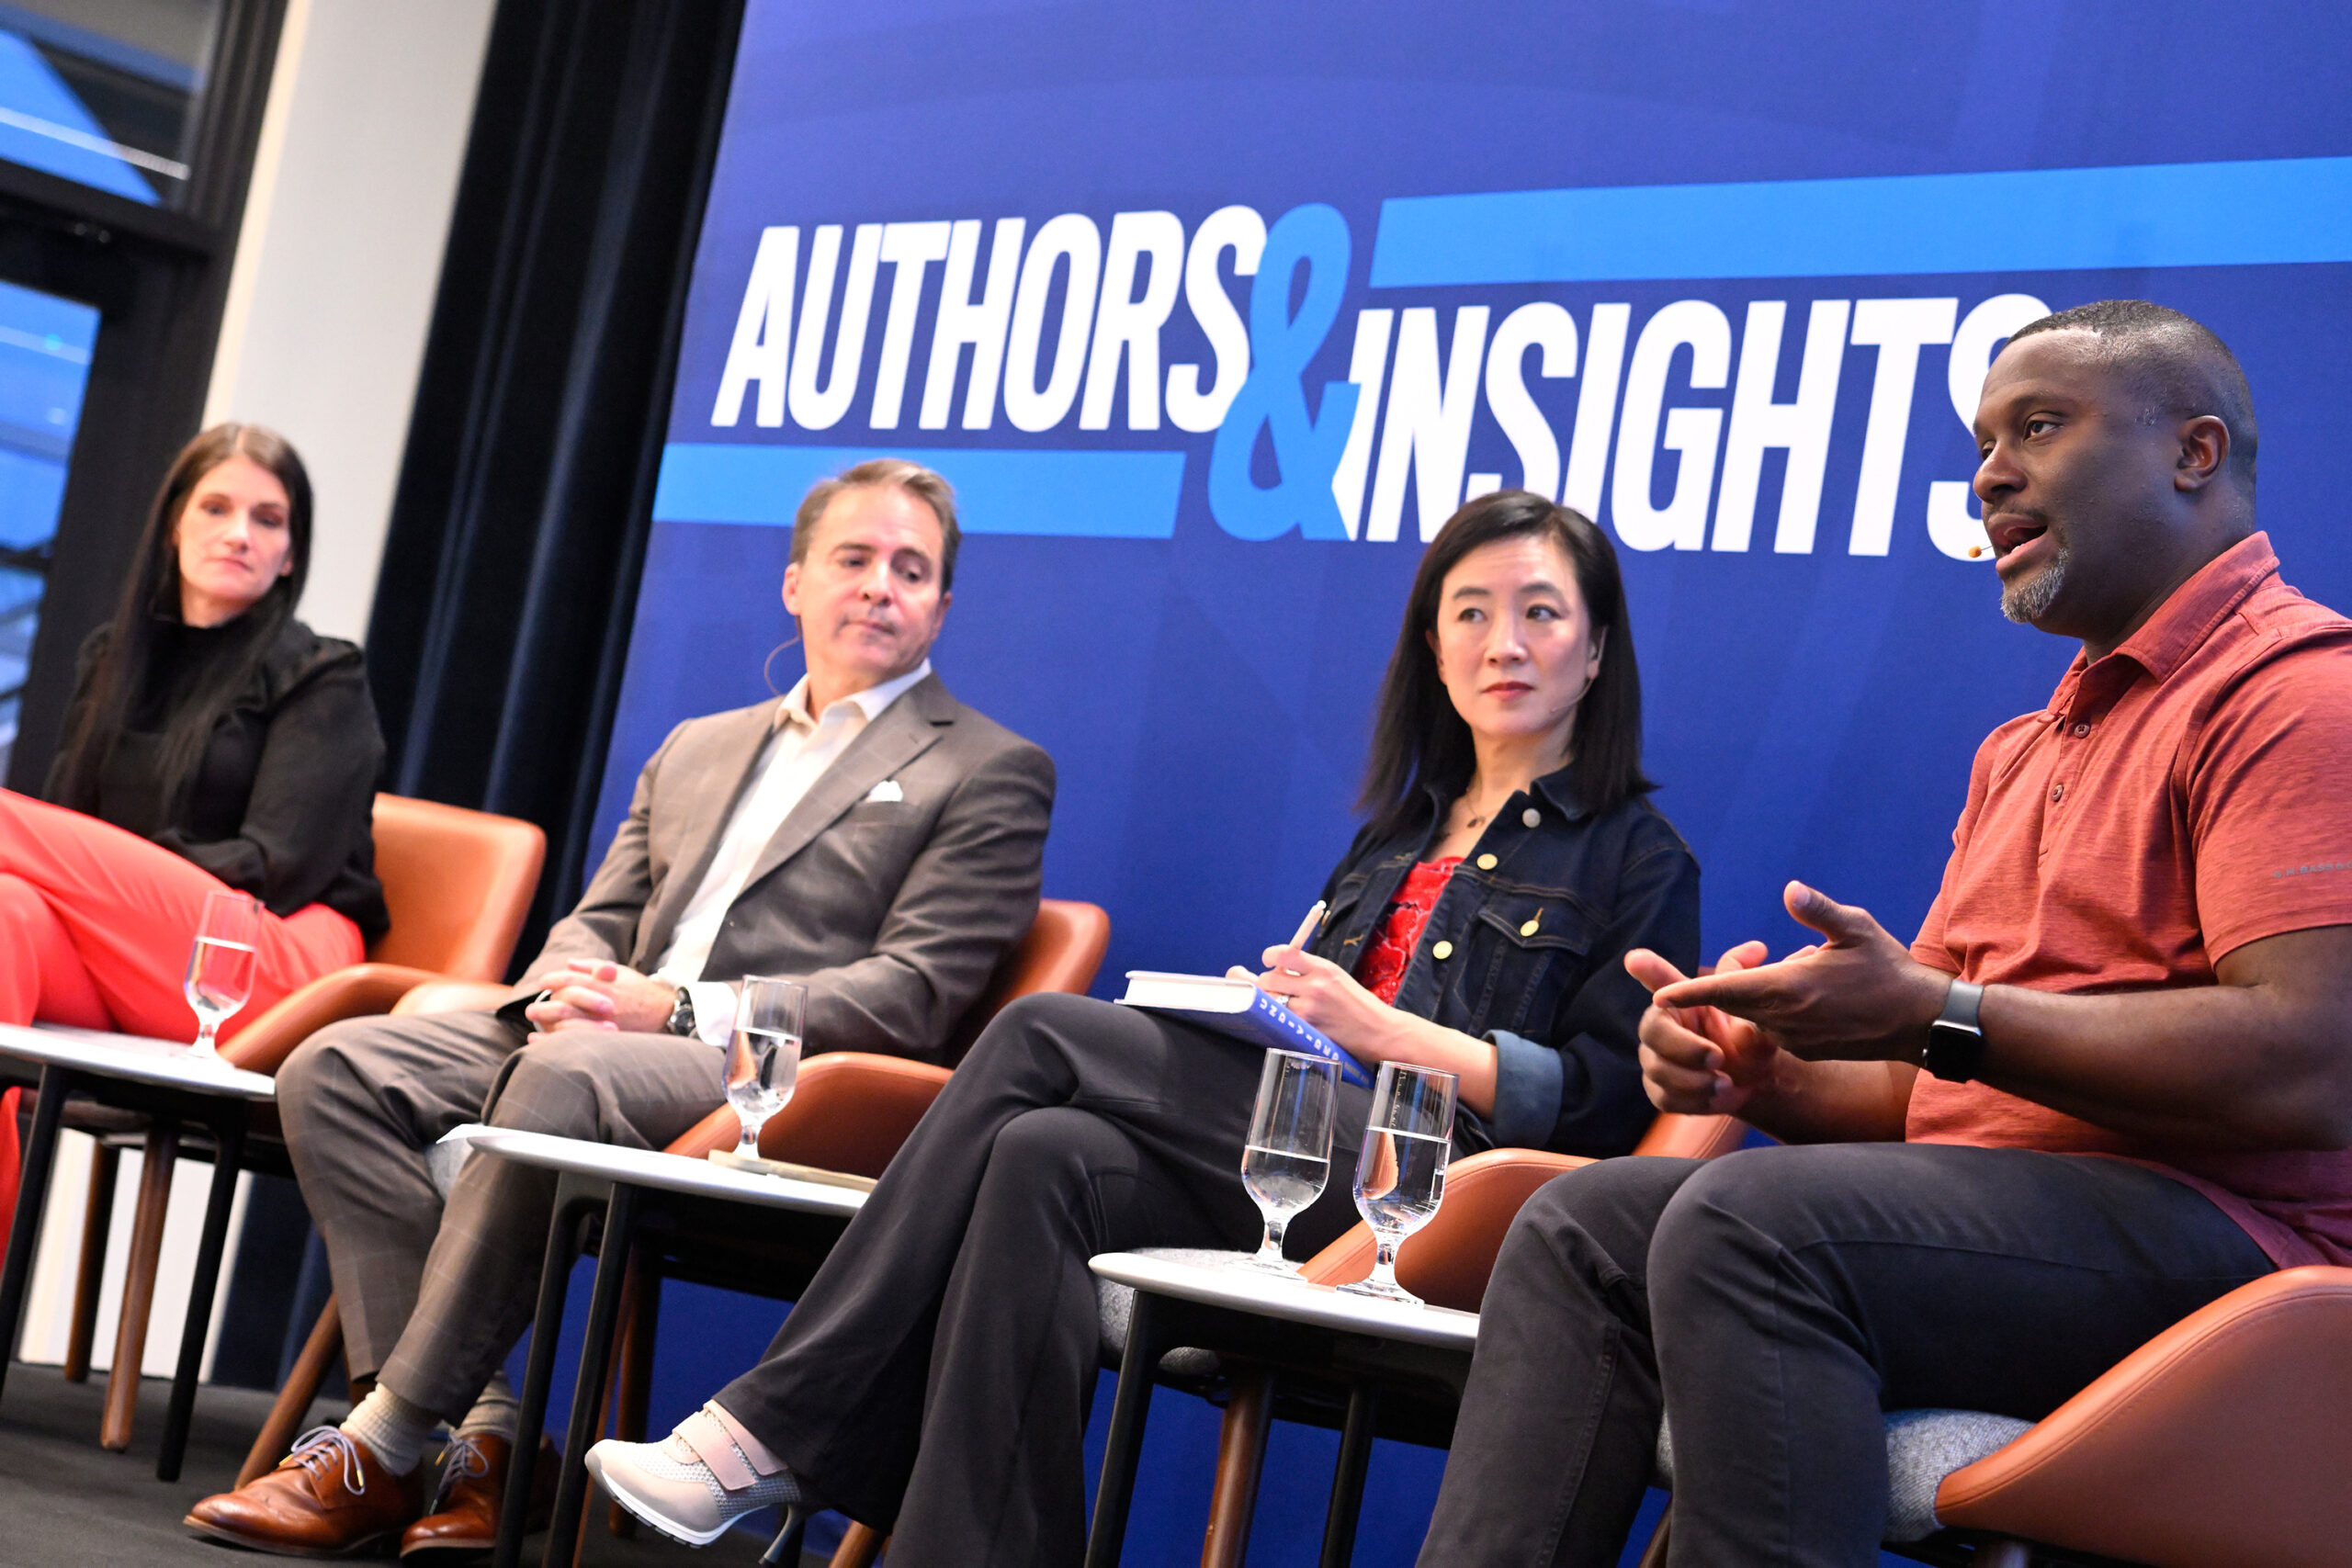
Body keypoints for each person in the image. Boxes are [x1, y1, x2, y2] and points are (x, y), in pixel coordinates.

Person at [584, 489, 1704, 1567]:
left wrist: (1378, 1031)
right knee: (1041, 1154)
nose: (1503, 640)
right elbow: (1323, 1033)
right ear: (1431, 643)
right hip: (1300, 1144)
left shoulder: (1637, 858)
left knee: (1037, 1040)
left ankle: (769, 1427)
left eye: (1540, 612)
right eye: (1471, 612)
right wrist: (1272, 1015)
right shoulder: (1394, 837)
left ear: (1596, 651)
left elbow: (1606, 1103)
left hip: (1434, 1193)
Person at [1412, 300, 2352, 1568]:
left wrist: (1935, 1010)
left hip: (2244, 1262)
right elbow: (1945, 1095)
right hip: (2022, 1222)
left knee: (1748, 1225)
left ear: (2194, 452)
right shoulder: (2022, 749)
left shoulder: (2297, 693)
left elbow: (2313, 1058)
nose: (1989, 474)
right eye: (1981, 441)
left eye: (2039, 425)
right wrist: (1775, 1076)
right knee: (1585, 1227)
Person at [183, 458, 1056, 1559]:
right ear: (795, 584)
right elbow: (600, 918)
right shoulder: (697, 744)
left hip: (765, 1076)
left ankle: (381, 1443)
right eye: (854, 559)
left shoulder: (988, 769)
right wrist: (572, 990)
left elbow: (909, 997)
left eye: (912, 570)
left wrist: (673, 1011)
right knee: (341, 1065)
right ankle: (489, 1440)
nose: (881, 586)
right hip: (603, 1036)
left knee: (560, 1078)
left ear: (941, 605)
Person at [0, 422, 385, 1042]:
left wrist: (127, 875)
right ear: (174, 524)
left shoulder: (324, 674)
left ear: (291, 554)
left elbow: (275, 864)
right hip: (131, 954)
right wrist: (114, 885)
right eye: (215, 508)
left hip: (277, 960)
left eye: (267, 519)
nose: (238, 534)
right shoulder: (111, 660)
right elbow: (70, 823)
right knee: (6, 913)